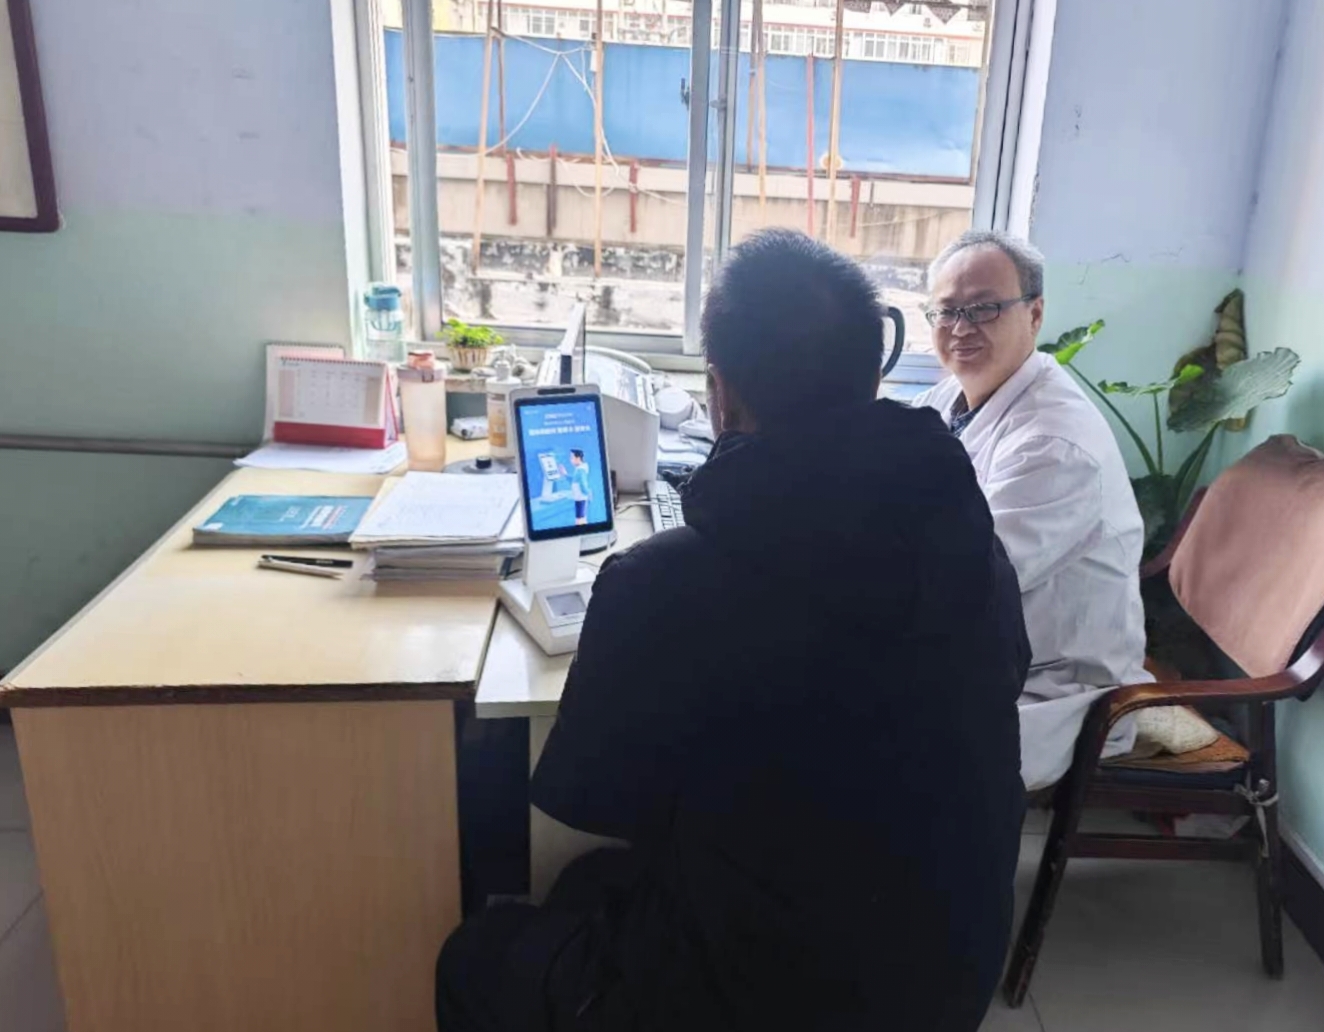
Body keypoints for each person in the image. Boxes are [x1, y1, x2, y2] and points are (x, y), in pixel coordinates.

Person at [436, 229, 1030, 1032]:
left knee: (477, 954)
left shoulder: (663, 582)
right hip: (945, 975)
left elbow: (594, 802)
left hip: (759, 994)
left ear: (719, 394)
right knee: (593, 889)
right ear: (873, 373)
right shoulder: (971, 540)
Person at [914, 229, 1151, 791]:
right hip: (988, 652)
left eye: (984, 308)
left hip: (1052, 689)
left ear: (1035, 313)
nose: (961, 328)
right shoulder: (951, 397)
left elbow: (964, 581)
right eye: (946, 311)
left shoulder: (1054, 443)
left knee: (854, 735)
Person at [569, 448, 591, 525]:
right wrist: (565, 474)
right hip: (579, 498)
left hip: (580, 498)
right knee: (581, 518)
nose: (570, 460)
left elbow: (583, 484)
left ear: (578, 458)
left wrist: (588, 493)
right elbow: (574, 480)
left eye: (572, 457)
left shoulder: (581, 470)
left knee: (580, 519)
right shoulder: (579, 469)